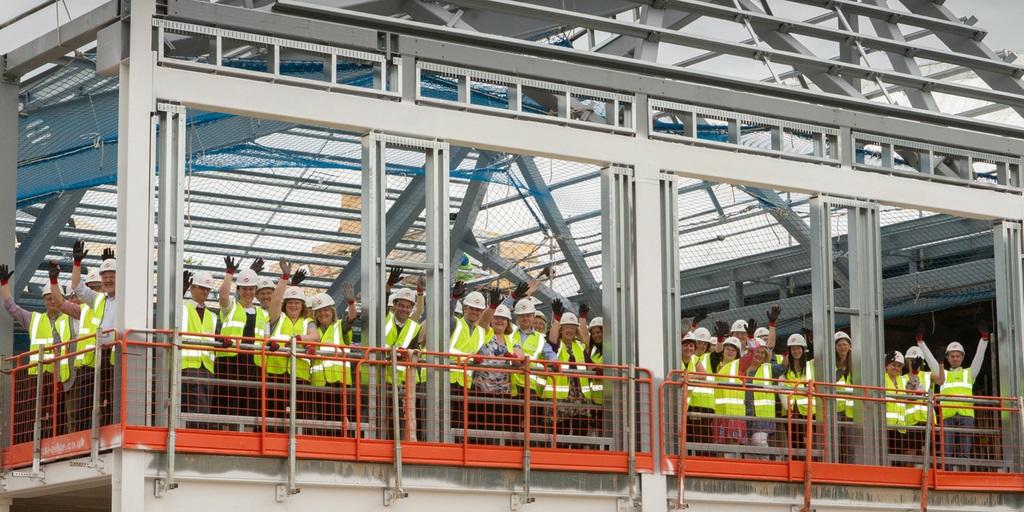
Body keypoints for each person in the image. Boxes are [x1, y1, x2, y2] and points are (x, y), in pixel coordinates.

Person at [2, 263, 73, 441]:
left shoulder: (72, 319)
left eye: (54, 297)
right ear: (43, 300)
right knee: (39, 413)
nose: (52, 301)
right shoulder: (34, 319)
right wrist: (4, 286)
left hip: (63, 377)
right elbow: (12, 308)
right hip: (40, 376)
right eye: (48, 298)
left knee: (62, 413)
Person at [915, 321, 990, 471]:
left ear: (962, 358)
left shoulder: (970, 373)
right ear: (947, 358)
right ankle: (946, 475)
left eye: (958, 356)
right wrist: (920, 342)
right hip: (947, 416)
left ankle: (964, 477)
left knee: (965, 451)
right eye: (952, 356)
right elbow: (930, 360)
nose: (955, 358)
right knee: (946, 452)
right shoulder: (943, 373)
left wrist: (984, 339)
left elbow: (979, 357)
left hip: (966, 416)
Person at [59, 241, 118, 426]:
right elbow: (78, 287)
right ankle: (86, 438)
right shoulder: (99, 299)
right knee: (86, 404)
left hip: (116, 355)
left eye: (112, 276)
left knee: (112, 401)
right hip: (97, 356)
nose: (107, 280)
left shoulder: (128, 297)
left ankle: (108, 438)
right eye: (105, 276)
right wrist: (77, 264)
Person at [259, 262, 313, 429]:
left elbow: (315, 336)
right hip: (276, 372)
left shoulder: (308, 322)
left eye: (297, 302)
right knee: (274, 412)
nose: (293, 305)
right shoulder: (277, 318)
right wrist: (284, 278)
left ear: (302, 305)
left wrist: (301, 339)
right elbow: (275, 300)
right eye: (290, 302)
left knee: (299, 413)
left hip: (300, 375)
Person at [218, 257, 269, 423]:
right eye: (244, 289)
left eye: (251, 289)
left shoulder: (263, 314)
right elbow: (223, 295)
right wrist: (229, 273)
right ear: (238, 290)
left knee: (249, 405)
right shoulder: (231, 307)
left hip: (253, 364)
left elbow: (266, 338)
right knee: (228, 403)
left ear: (255, 290)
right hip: (229, 362)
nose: (248, 292)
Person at [307, 290, 357, 436]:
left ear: (332, 311)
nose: (323, 313)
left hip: (338, 380)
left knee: (338, 416)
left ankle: (339, 441)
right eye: (319, 311)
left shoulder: (340, 326)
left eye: (326, 310)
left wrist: (351, 303)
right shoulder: (312, 330)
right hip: (318, 381)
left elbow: (351, 319)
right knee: (322, 418)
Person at [470, 304, 523, 440]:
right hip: (480, 391)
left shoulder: (512, 340)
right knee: (479, 428)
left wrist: (514, 358)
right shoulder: (485, 334)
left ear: (508, 323)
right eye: (496, 318)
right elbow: (482, 323)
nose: (500, 321)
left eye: (503, 319)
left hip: (502, 393)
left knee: (499, 428)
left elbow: (520, 360)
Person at [544, 299, 592, 445]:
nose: (569, 330)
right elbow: (551, 340)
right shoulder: (555, 345)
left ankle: (578, 457)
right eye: (566, 327)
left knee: (581, 430)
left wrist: (582, 318)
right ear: (560, 329)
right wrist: (557, 319)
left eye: (572, 327)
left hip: (580, 396)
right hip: (561, 397)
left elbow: (588, 355)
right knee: (561, 432)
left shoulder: (579, 346)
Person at [179, 271, 220, 428]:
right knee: (195, 408)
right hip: (187, 365)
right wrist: (179, 294)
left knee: (203, 409)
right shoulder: (183, 308)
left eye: (207, 289)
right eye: (201, 288)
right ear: (192, 288)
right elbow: (170, 311)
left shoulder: (212, 316)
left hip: (207, 368)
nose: (205, 291)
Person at [383, 287, 424, 440]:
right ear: (394, 305)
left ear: (411, 309)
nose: (404, 309)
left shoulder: (415, 328)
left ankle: (408, 443)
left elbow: (416, 349)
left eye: (408, 307)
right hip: (385, 377)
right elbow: (378, 305)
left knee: (407, 416)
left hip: (407, 380)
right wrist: (387, 287)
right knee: (386, 414)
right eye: (401, 305)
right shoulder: (385, 319)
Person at [745, 339, 780, 459]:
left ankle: (766, 468)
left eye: (762, 353)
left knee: (759, 442)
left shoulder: (769, 368)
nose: (759, 355)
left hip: (762, 414)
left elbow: (783, 368)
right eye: (757, 352)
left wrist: (786, 355)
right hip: (744, 412)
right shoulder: (742, 367)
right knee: (750, 449)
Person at [712, 335, 747, 453]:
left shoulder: (740, 365)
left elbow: (751, 357)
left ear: (737, 353)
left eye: (733, 350)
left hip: (734, 413)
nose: (730, 352)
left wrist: (751, 339)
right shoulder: (717, 365)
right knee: (719, 449)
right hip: (719, 413)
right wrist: (720, 340)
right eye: (727, 349)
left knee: (732, 448)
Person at [783, 333, 815, 454]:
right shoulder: (786, 369)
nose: (796, 351)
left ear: (803, 349)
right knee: (794, 443)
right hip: (791, 412)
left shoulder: (811, 365)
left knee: (809, 444)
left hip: (808, 412)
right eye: (793, 348)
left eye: (798, 348)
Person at [901, 345, 932, 464]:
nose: (914, 364)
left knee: (926, 453)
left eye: (917, 362)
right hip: (909, 421)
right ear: (907, 362)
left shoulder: (928, 375)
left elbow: (940, 380)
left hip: (926, 420)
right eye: (911, 361)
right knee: (910, 453)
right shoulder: (902, 378)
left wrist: (938, 363)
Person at [833, 331, 856, 463]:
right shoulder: (831, 364)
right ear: (835, 348)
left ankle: (850, 468)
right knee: (835, 442)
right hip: (835, 409)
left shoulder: (855, 365)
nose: (843, 347)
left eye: (845, 344)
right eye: (840, 345)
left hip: (850, 410)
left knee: (850, 444)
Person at [883, 350, 907, 465]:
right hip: (885, 427)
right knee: (885, 456)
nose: (896, 368)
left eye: (898, 366)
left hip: (899, 427)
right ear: (886, 365)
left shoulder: (902, 381)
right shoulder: (881, 379)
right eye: (893, 364)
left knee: (897, 459)